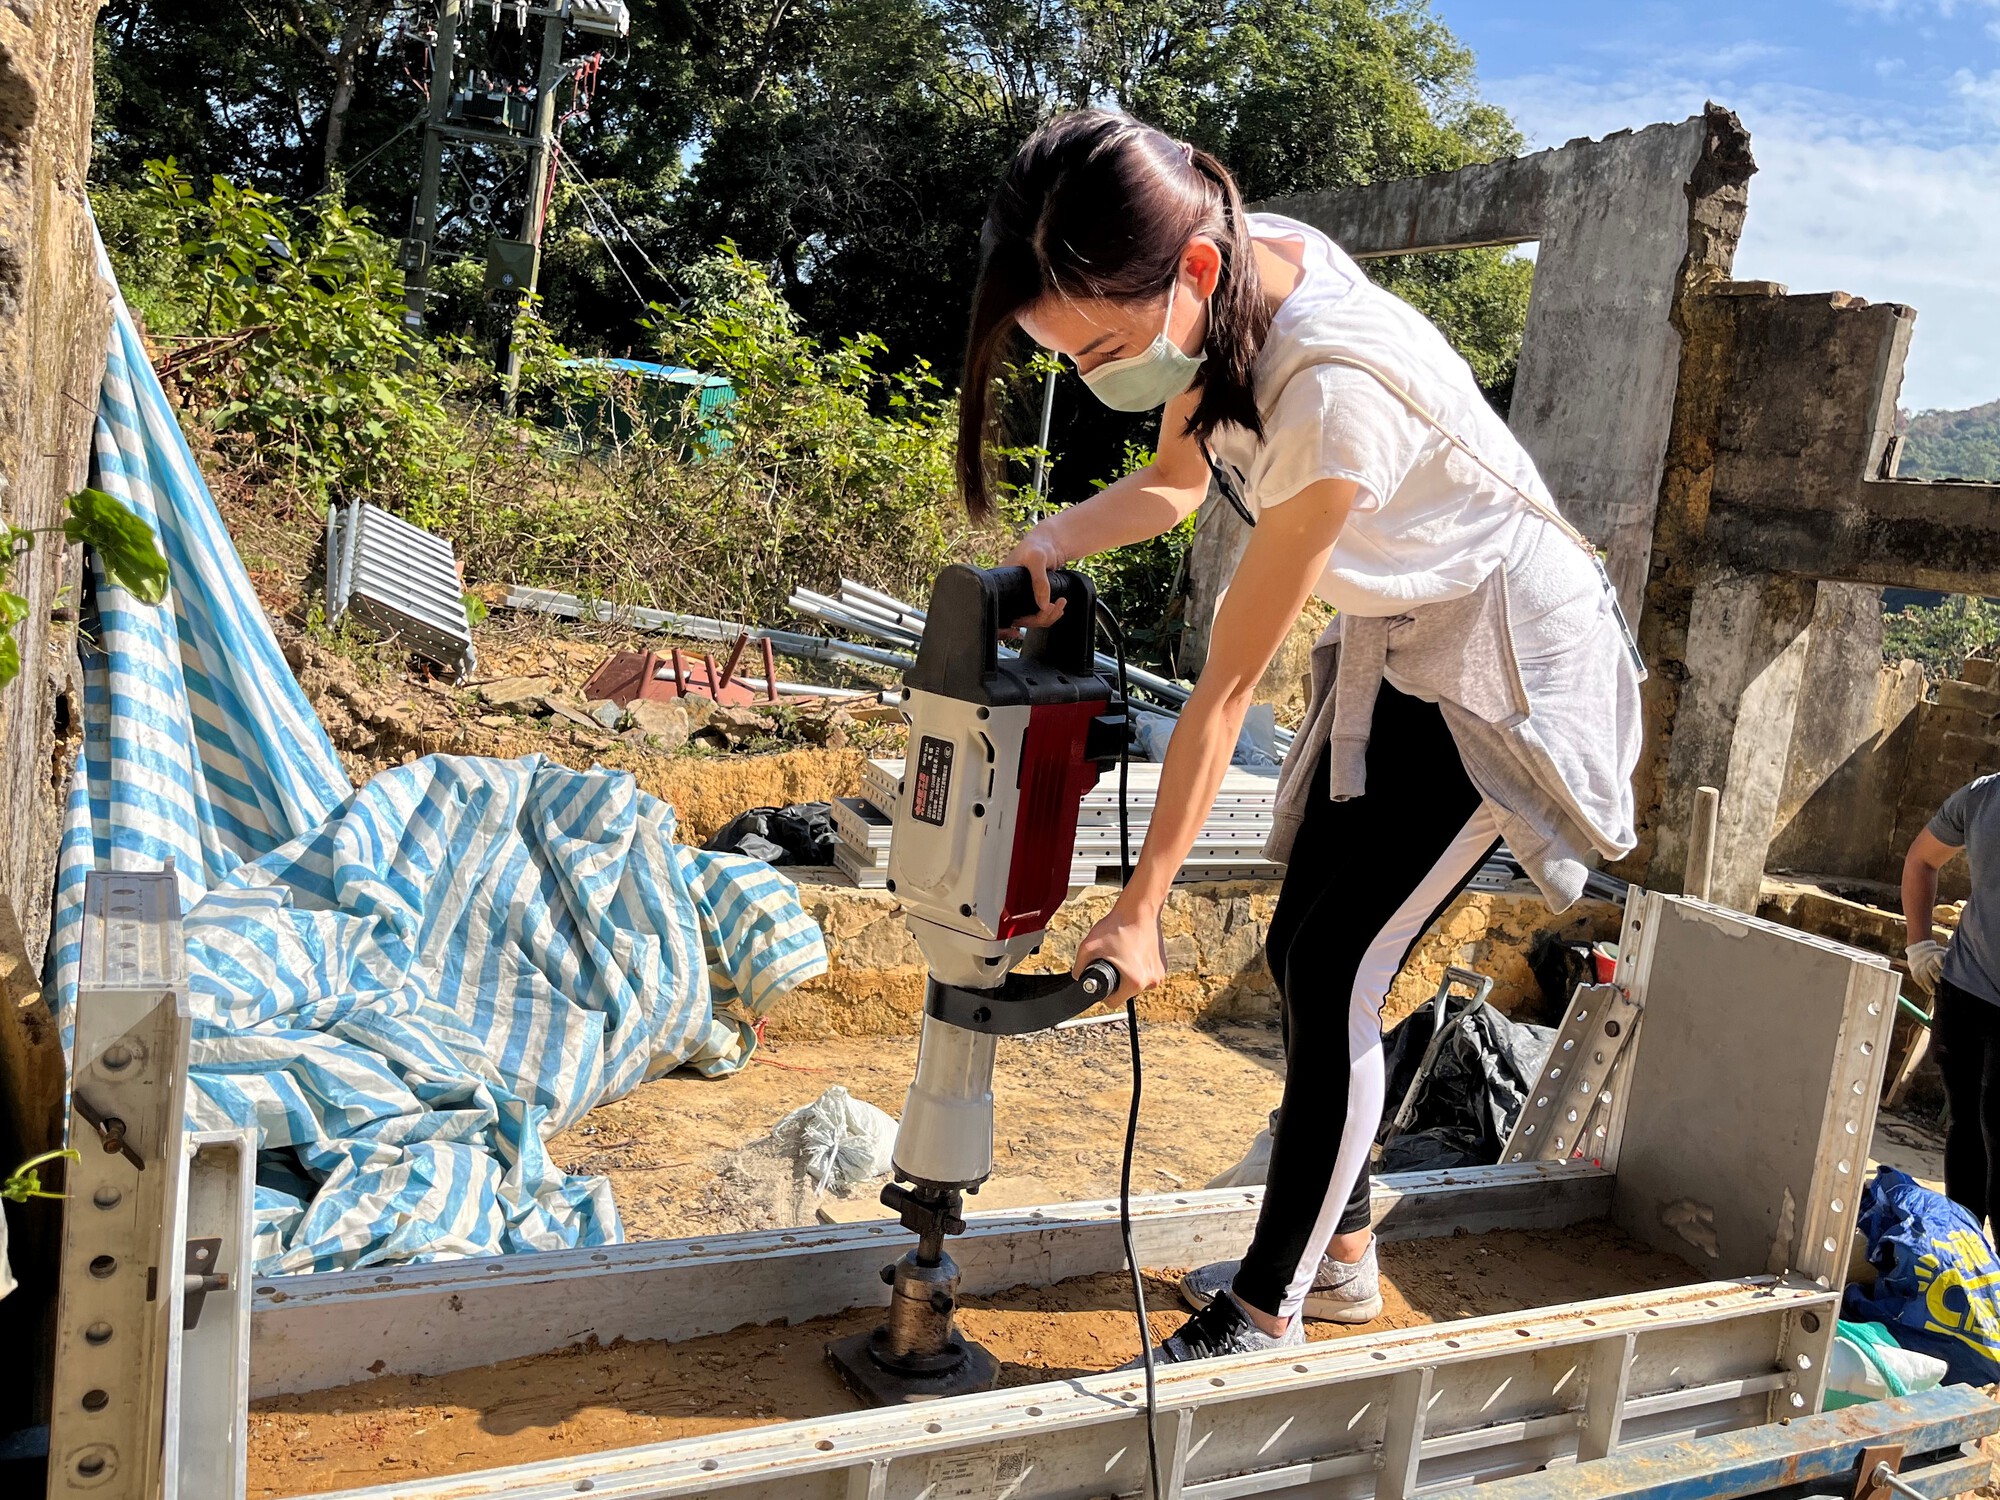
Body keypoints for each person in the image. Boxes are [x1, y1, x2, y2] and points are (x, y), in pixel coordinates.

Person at [957, 110, 1644, 1363]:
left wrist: (1143, 905)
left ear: (1194, 274)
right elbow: (1171, 485)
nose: (1100, 377)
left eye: (1106, 345)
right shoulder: (1227, 265)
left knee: (1340, 973)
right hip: (1399, 624)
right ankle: (1340, 1258)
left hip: (1496, 656)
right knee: (1303, 948)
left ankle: (1260, 1314)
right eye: (1070, 355)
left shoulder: (1329, 391)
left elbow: (1223, 690)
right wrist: (1045, 541)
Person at [1903, 776, 2000, 1233]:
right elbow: (1922, 859)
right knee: (1967, 1134)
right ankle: (1962, 1262)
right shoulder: (1983, 797)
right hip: (1965, 992)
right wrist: (1918, 944)